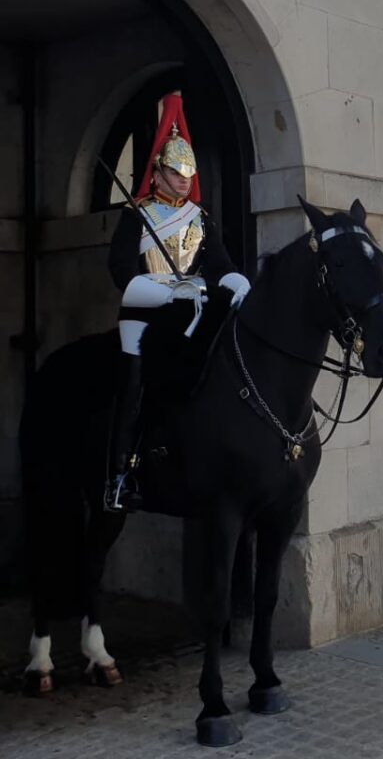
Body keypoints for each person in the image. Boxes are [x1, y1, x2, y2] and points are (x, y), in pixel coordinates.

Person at [104, 92, 250, 512]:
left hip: (194, 309)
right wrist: (168, 290)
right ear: (158, 173)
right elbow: (120, 271)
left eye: (189, 172)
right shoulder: (137, 214)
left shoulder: (200, 219)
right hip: (145, 311)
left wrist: (237, 281)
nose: (185, 179)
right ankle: (120, 473)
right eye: (176, 172)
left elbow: (219, 263)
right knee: (135, 379)